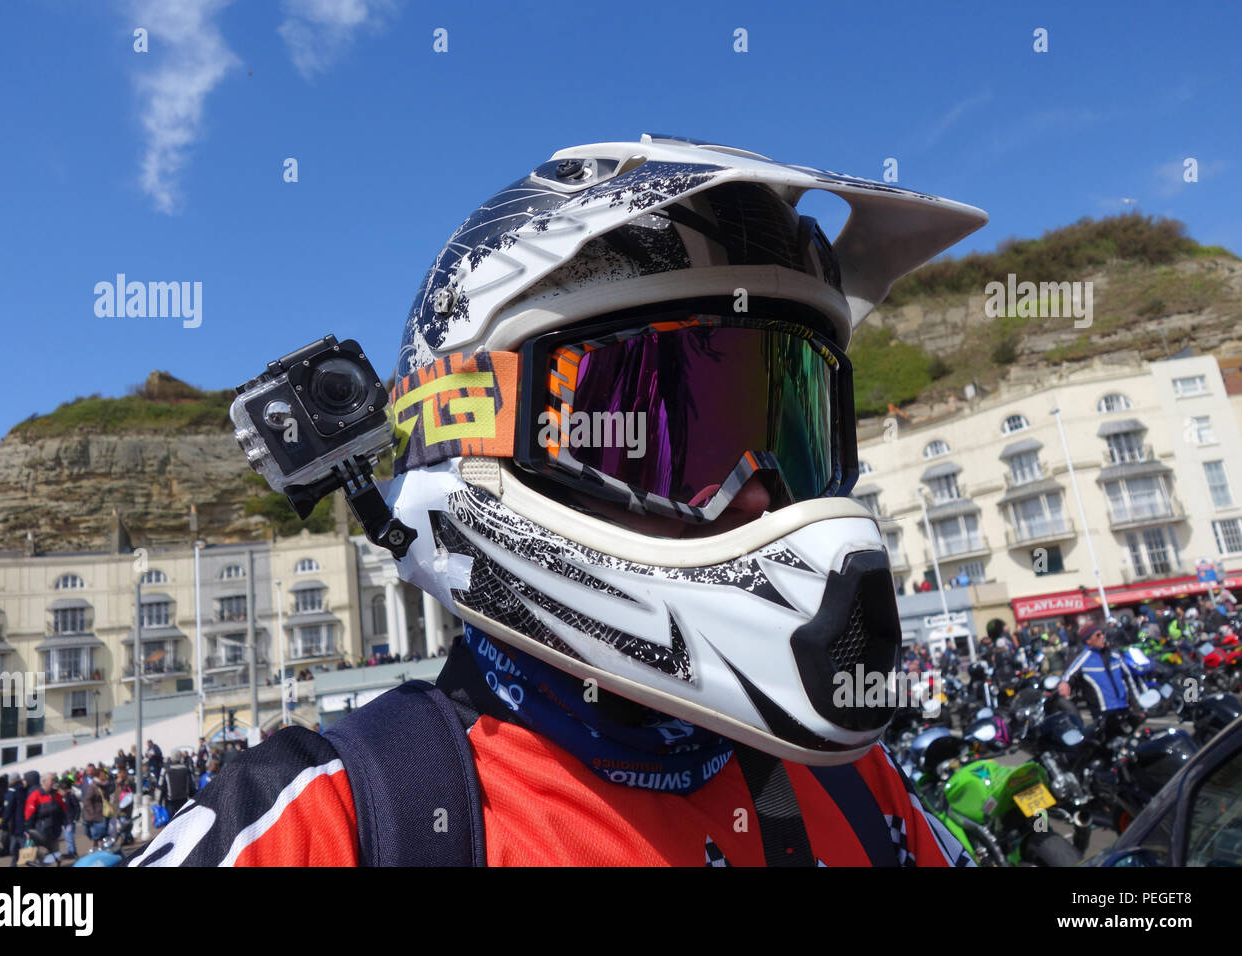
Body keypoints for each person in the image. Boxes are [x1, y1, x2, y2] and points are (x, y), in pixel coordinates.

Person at [134, 135, 984, 868]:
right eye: (667, 437)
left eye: (793, 434)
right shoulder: (339, 822)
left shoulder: (853, 784)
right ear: (478, 434)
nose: (760, 491)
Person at [23, 772, 66, 864]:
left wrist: (65, 823)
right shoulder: (35, 796)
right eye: (52, 780)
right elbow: (29, 815)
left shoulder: (56, 795)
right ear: (44, 782)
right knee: (43, 857)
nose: (54, 782)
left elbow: (63, 810)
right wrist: (28, 831)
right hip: (41, 833)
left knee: (56, 857)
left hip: (54, 832)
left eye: (54, 780)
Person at [2, 773, 29, 867]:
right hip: (25, 821)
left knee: (15, 848)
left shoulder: (11, 791)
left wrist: (2, 824)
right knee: (22, 847)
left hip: (15, 824)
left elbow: (8, 809)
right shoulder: (24, 790)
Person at [160, 751, 194, 818]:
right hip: (183, 799)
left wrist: (159, 801)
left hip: (170, 800)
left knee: (170, 820)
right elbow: (191, 784)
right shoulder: (186, 769)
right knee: (181, 819)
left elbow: (161, 786)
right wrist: (193, 798)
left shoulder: (165, 769)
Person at [80, 770, 107, 851]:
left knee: (99, 835)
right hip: (95, 815)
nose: (104, 777)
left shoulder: (103, 785)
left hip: (101, 813)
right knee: (96, 835)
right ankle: (96, 851)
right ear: (98, 776)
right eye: (102, 775)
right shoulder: (94, 786)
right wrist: (92, 812)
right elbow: (87, 800)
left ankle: (99, 850)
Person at [57, 777, 80, 860]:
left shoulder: (70, 796)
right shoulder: (60, 797)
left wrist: (75, 818)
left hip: (70, 820)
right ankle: (72, 852)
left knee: (68, 836)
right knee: (68, 837)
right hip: (65, 821)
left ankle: (72, 852)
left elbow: (77, 807)